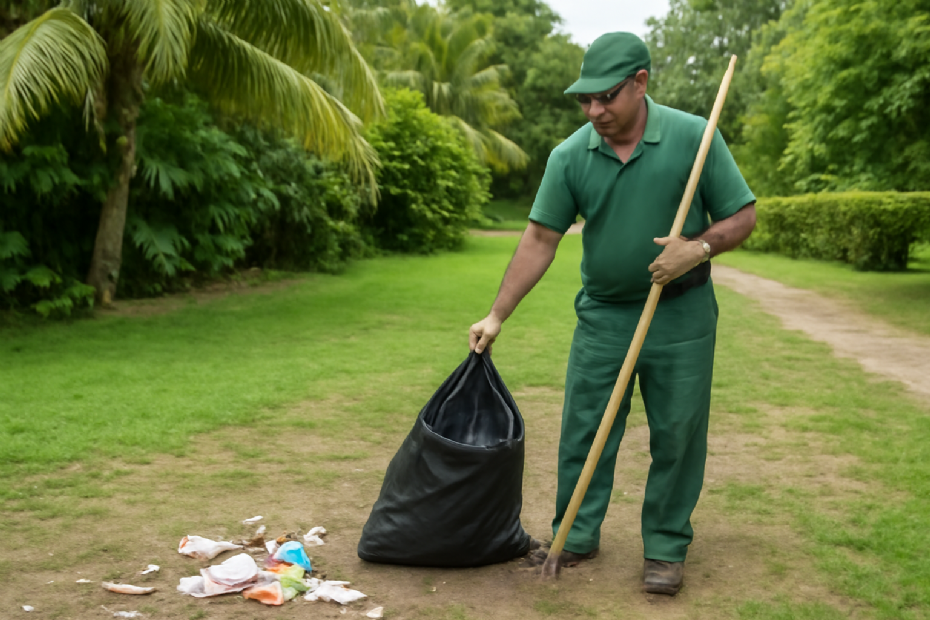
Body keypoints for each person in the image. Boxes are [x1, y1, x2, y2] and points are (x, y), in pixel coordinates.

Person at [468, 32, 756, 595]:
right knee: (585, 428)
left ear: (640, 83)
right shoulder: (570, 156)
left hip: (682, 315)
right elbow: (540, 239)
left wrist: (697, 248)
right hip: (604, 317)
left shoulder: (694, 137)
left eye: (606, 97)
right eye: (585, 99)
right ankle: (574, 535)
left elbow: (743, 216)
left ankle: (666, 548)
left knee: (678, 433)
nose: (594, 110)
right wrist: (497, 315)